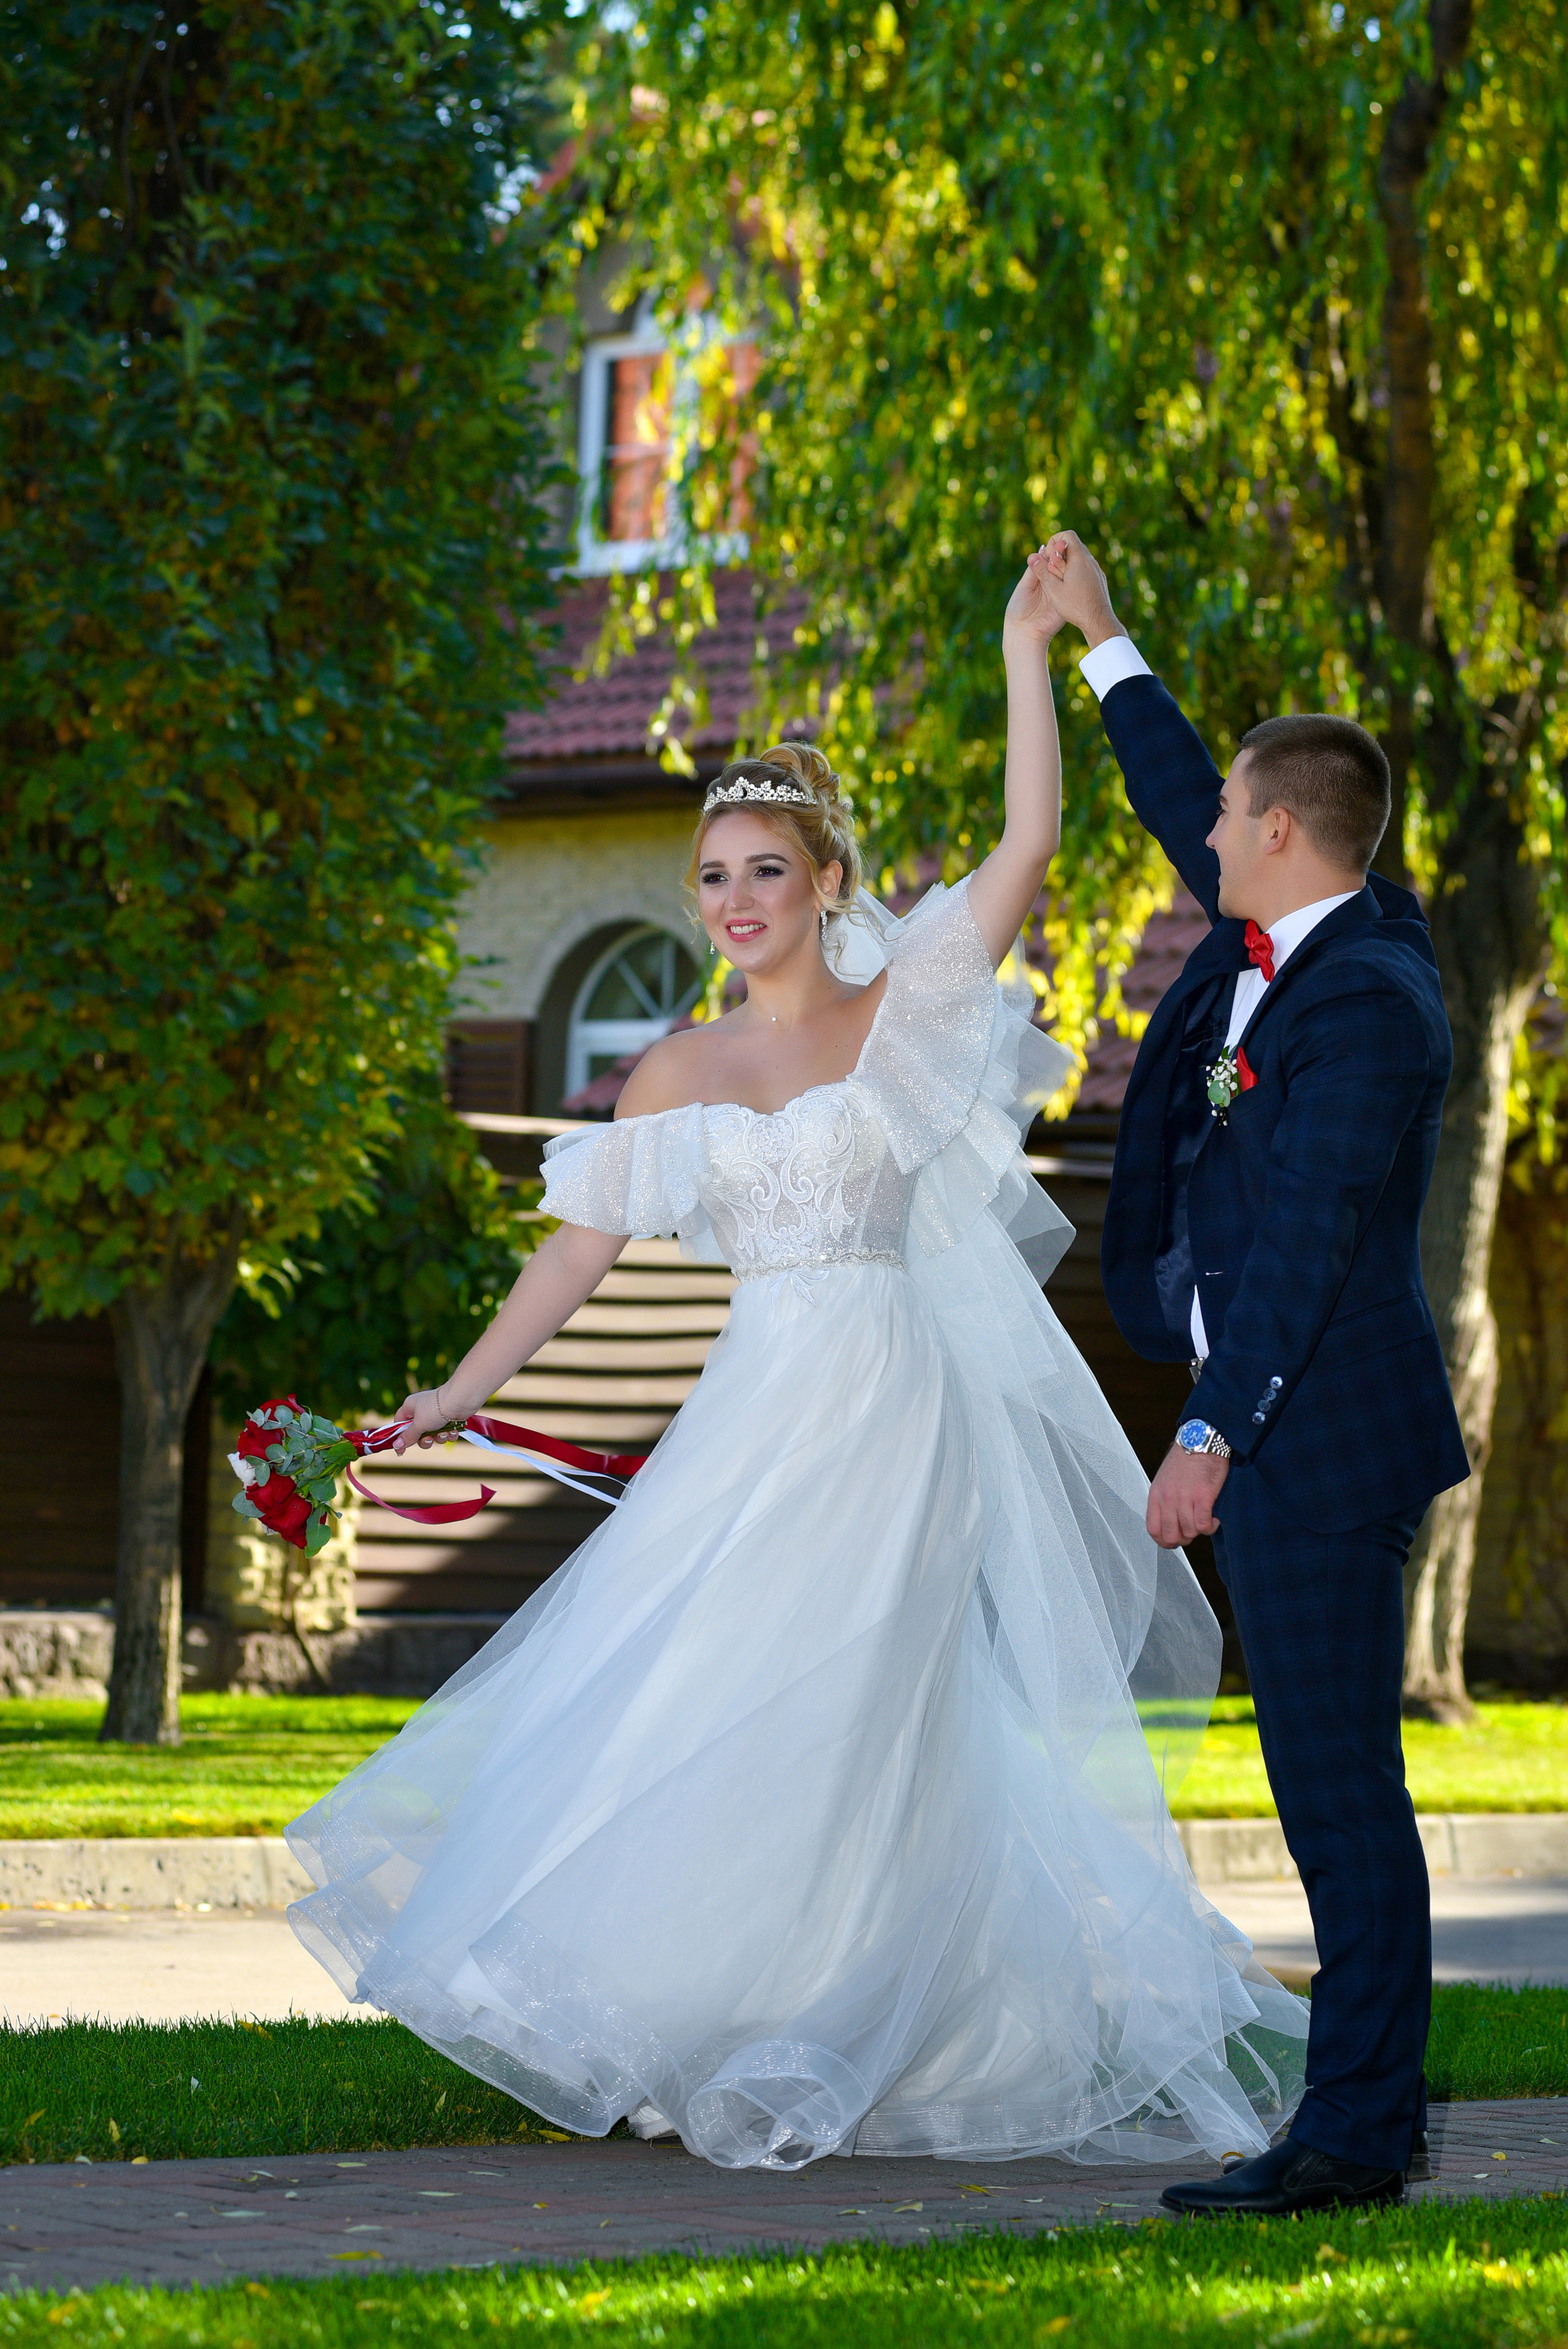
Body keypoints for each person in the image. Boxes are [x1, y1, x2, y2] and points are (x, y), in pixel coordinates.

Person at [285, 548, 1309, 2174]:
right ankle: (684, 2010)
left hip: (899, 1406)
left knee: (869, 1697)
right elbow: (575, 1250)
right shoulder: (671, 1068)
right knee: (706, 1680)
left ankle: (851, 2023)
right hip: (756, 1402)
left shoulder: (902, 1011)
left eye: (768, 868)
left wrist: (1021, 644)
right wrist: (460, 1392)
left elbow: (1031, 841)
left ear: (829, 879)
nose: (739, 898)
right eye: (713, 877)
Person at [1038, 531, 1469, 2217]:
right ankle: (1369, 2116)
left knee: (1341, 1791)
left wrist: (1209, 1428)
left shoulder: (1367, 999)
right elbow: (1181, 792)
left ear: (1284, 837)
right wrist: (1106, 641)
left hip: (1320, 1444)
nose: (1200, 834)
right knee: (1327, 1783)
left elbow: (1304, 1239)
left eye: (1229, 817)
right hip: (1284, 1435)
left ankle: (1357, 2134)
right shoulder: (1295, 926)